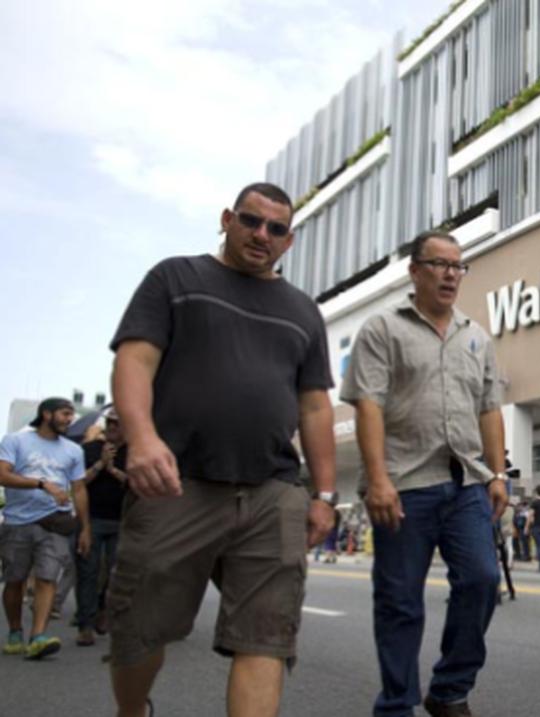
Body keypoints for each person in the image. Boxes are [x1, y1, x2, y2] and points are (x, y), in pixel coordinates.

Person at [107, 182, 337, 717]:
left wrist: (324, 494)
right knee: (140, 627)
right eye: (251, 221)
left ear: (289, 240)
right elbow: (135, 360)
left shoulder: (303, 310)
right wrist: (142, 439)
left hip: (272, 492)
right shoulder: (175, 278)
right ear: (227, 219)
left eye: (276, 228)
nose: (262, 235)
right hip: (175, 484)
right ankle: (132, 710)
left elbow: (315, 407)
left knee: (266, 637)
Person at [341, 230, 507, 717]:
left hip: (466, 483)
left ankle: (450, 689)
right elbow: (368, 405)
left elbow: (490, 408)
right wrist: (378, 479)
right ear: (415, 271)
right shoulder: (383, 328)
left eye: (458, 266)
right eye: (440, 265)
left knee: (482, 581)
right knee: (400, 602)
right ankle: (396, 704)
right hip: (403, 485)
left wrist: (498, 474)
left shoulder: (476, 336)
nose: (451, 274)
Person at [0, 397, 90, 660]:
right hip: (18, 522)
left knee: (47, 578)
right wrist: (42, 484)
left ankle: (38, 636)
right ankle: (15, 631)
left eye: (71, 414)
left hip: (55, 521)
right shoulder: (15, 441)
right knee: (15, 580)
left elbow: (79, 489)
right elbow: (2, 475)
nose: (70, 419)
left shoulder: (73, 450)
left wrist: (85, 528)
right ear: (46, 414)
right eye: (65, 413)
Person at [74, 409, 128, 646]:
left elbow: (136, 483)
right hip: (91, 519)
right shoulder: (89, 450)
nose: (113, 427)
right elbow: (78, 482)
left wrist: (114, 470)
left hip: (122, 521)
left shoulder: (135, 451)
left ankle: (103, 609)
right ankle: (85, 624)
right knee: (88, 571)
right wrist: (100, 464)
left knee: (116, 573)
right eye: (110, 422)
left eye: (118, 423)